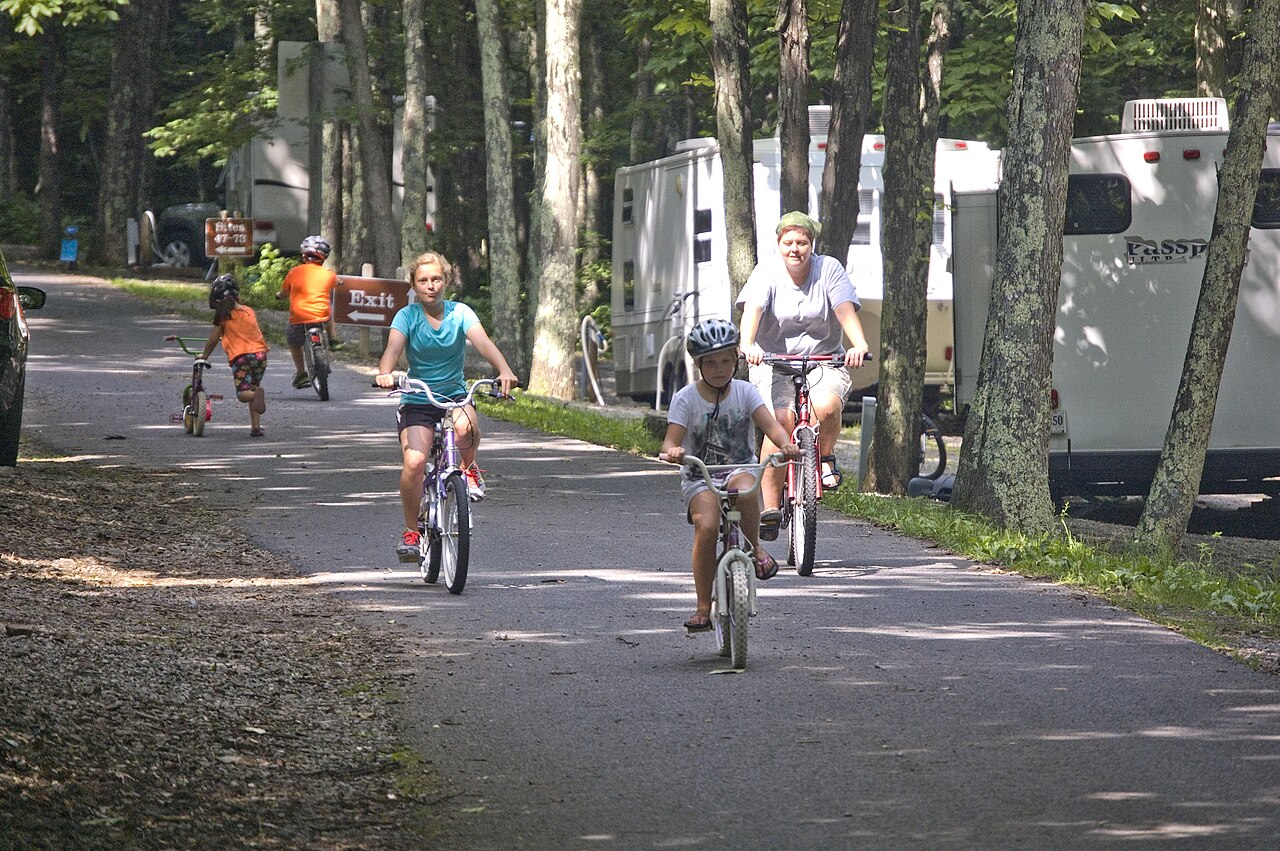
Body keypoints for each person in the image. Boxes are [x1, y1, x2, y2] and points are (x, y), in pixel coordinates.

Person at [374, 252, 519, 561]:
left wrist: (504, 370)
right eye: (423, 280)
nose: (431, 286)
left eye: (437, 279)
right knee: (415, 463)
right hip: (418, 398)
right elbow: (393, 349)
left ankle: (468, 468)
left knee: (466, 428)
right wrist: (386, 373)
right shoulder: (407, 316)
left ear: (447, 281)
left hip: (455, 396)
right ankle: (411, 531)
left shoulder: (460, 313)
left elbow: (483, 344)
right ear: (413, 284)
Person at [737, 211, 871, 541]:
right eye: (788, 243)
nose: (794, 249)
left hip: (822, 359)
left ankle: (824, 457)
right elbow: (753, 308)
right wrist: (747, 344)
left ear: (812, 245)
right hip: (773, 361)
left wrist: (859, 344)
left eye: (801, 243)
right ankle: (770, 507)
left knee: (825, 407)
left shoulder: (828, 269)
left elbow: (844, 309)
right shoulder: (767, 271)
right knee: (780, 421)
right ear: (778, 244)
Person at [660, 318, 800, 633]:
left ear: (736, 360)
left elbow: (771, 426)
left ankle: (754, 548)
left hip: (739, 468)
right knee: (707, 526)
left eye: (726, 361)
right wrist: (674, 451)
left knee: (746, 491)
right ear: (698, 364)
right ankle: (702, 607)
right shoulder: (686, 399)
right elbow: (670, 441)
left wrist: (786, 445)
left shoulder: (745, 392)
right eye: (710, 362)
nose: (719, 369)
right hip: (701, 475)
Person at [199, 274, 270, 438]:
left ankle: (255, 395)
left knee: (243, 393)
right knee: (253, 387)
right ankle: (256, 427)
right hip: (260, 355)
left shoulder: (223, 315)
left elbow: (213, 340)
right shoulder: (249, 311)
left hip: (241, 357)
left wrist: (204, 356)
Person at [276, 235, 342, 390]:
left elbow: (284, 293)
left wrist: (278, 296)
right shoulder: (328, 274)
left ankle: (300, 373)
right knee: (328, 306)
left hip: (298, 318)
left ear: (304, 255)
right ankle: (333, 339)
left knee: (293, 342)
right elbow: (336, 282)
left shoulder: (294, 272)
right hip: (321, 317)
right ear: (324, 257)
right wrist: (339, 282)